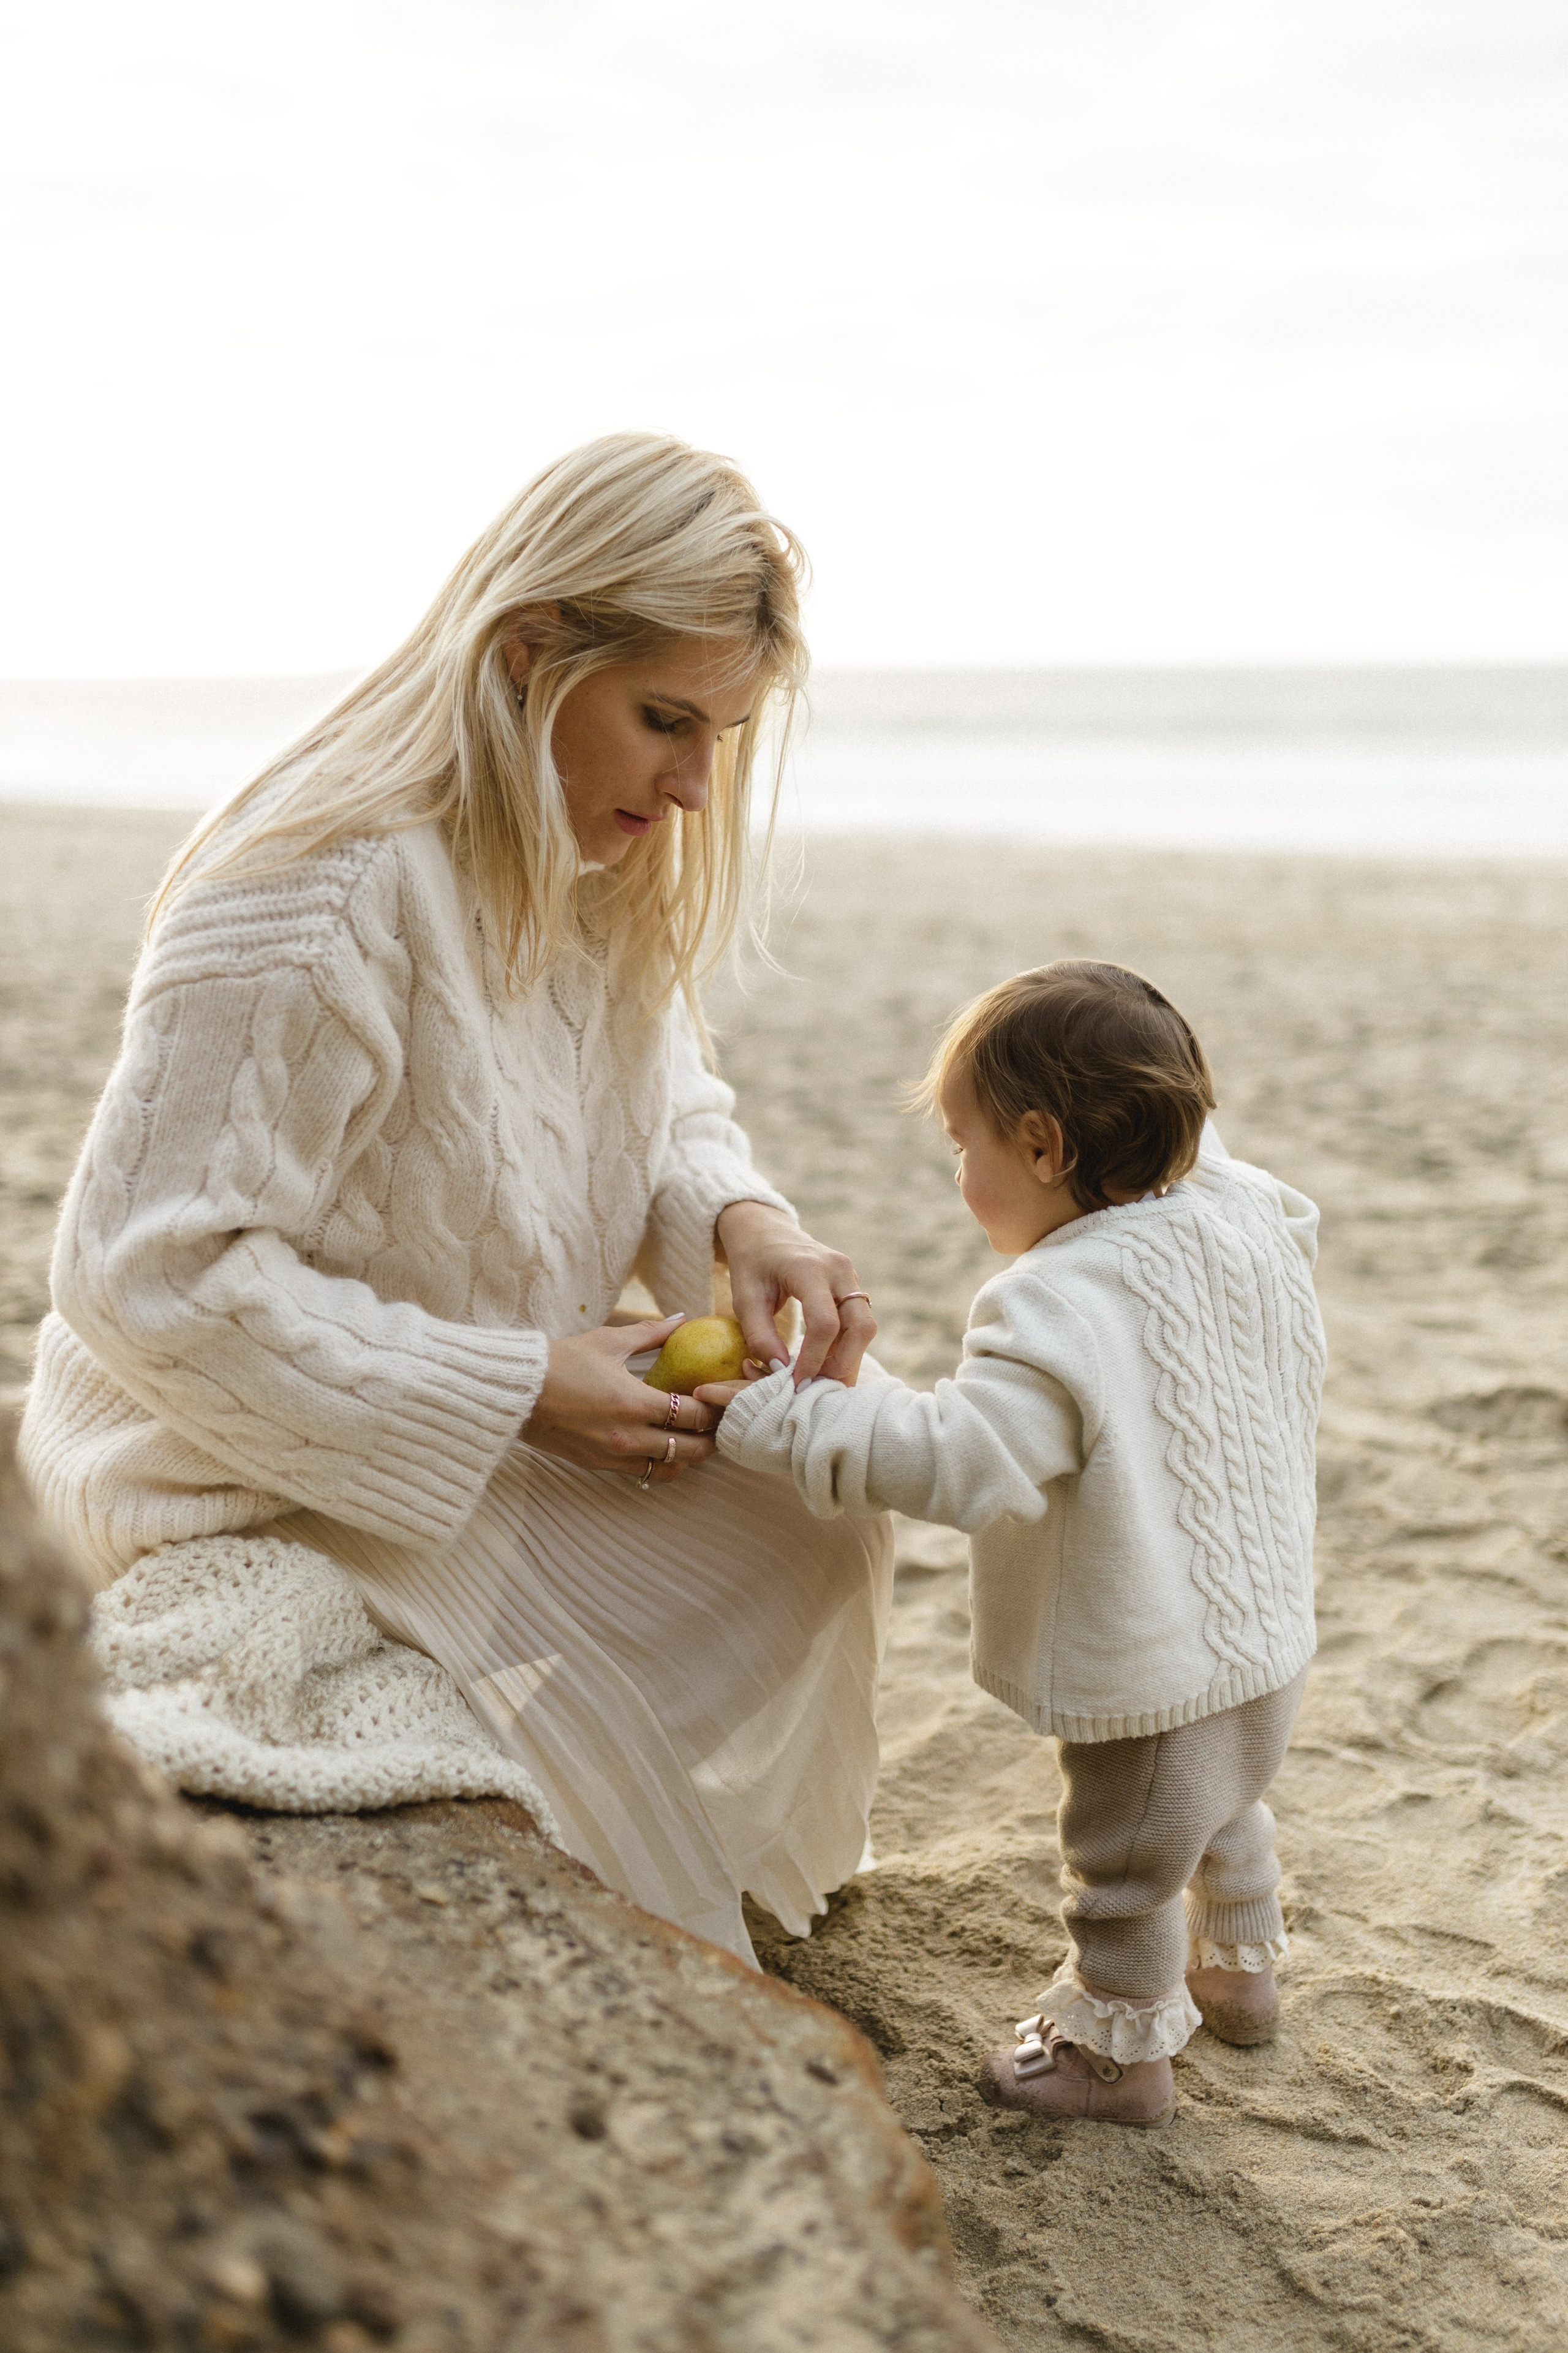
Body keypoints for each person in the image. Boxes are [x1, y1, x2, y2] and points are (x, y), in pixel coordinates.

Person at [20, 432, 891, 1965]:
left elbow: (660, 1099)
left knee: (826, 1490)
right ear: (526, 650)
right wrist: (516, 1390)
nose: (695, 787)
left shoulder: (590, 849)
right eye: (664, 721)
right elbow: (145, 1273)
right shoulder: (314, 891)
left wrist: (739, 1224)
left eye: (723, 734)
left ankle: (509, 1729)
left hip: (478, 1413)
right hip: (231, 1457)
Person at [703, 961, 1324, 2121]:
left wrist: (787, 1419)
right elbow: (1244, 1179)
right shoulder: (1243, 1212)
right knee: (1228, 1796)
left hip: (1151, 1677)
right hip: (1265, 1636)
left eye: (963, 1142)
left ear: (1042, 1147)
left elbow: (959, 1459)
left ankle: (1117, 2061)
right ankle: (1240, 1975)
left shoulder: (1058, 1302)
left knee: (1128, 1864)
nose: (958, 1172)